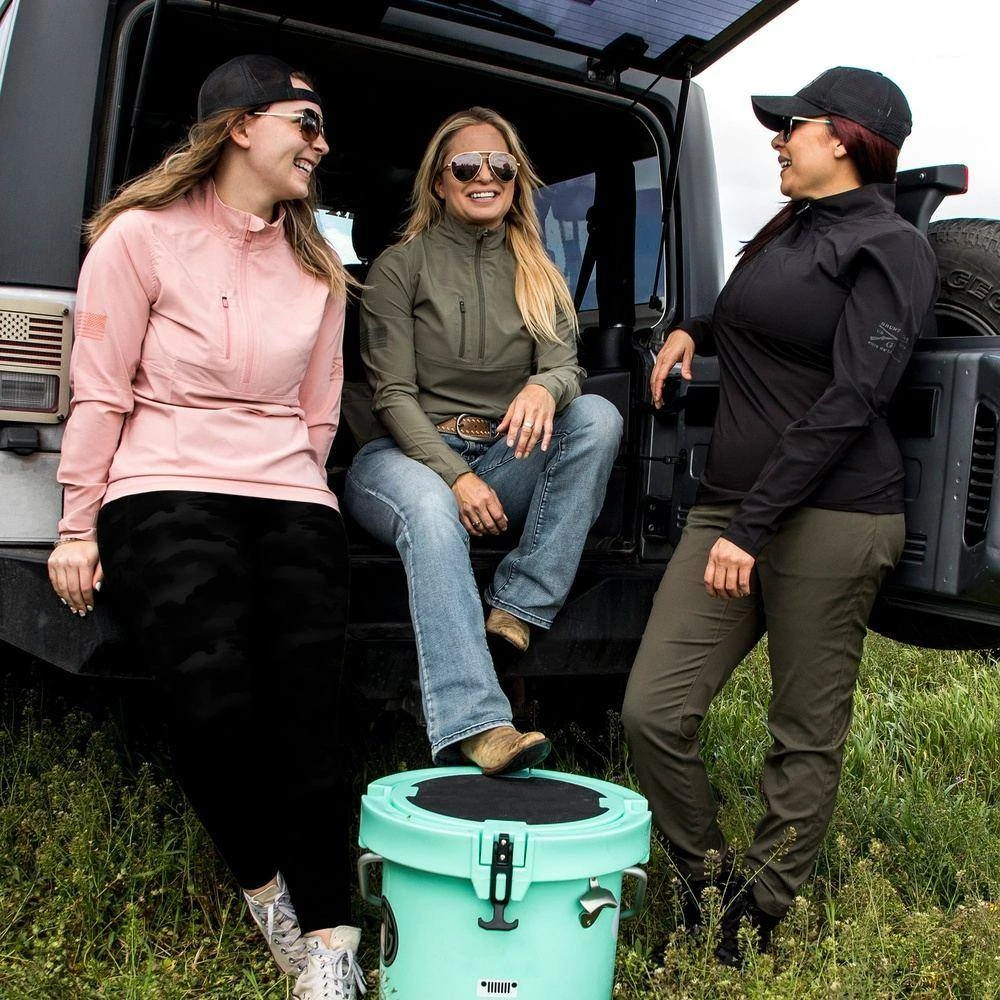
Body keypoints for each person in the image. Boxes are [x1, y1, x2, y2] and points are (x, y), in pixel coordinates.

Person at [47, 55, 366, 999]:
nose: (321, 144)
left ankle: (332, 942)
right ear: (240, 126)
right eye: (306, 124)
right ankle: (267, 890)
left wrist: (299, 491)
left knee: (312, 715)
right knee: (214, 702)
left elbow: (319, 411)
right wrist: (77, 525)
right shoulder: (139, 239)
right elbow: (100, 392)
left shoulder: (320, 268)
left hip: (290, 494)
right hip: (165, 482)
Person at [621, 67, 938, 965]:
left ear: (841, 137)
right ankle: (708, 876)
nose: (776, 140)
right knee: (652, 712)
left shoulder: (890, 246)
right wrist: (693, 326)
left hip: (831, 517)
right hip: (733, 510)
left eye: (791, 126)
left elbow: (853, 398)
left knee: (802, 733)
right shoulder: (790, 229)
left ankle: (752, 919)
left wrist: (751, 528)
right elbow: (754, 320)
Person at [344, 107, 622, 775]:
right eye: (466, 166)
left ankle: (519, 604)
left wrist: (545, 389)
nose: (484, 177)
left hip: (501, 458)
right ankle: (478, 723)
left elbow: (566, 367)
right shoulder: (398, 269)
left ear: (516, 178)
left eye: (501, 166)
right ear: (439, 182)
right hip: (404, 457)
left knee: (597, 416)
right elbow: (392, 397)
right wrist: (456, 477)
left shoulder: (538, 271)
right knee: (432, 512)